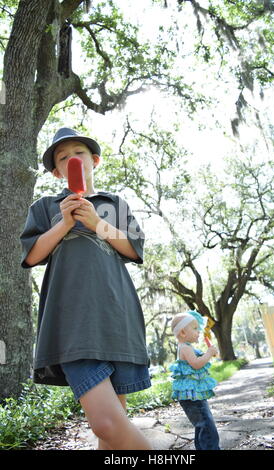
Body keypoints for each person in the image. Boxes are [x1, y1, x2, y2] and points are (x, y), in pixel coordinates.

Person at [20, 127, 152, 450]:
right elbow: (33, 254)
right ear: (56, 171)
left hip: (116, 317)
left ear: (93, 160)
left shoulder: (114, 202)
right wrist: (64, 223)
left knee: (113, 428)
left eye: (77, 153)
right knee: (106, 422)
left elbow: (134, 250)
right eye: (62, 158)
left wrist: (97, 223)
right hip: (71, 323)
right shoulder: (45, 207)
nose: (71, 160)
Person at [169, 310, 220, 450]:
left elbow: (197, 361)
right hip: (192, 397)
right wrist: (209, 354)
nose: (199, 332)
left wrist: (209, 353)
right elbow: (196, 364)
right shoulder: (185, 348)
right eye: (195, 328)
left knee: (202, 426)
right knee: (207, 427)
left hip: (192, 395)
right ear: (183, 333)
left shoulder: (187, 347)